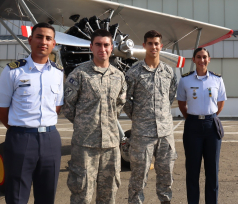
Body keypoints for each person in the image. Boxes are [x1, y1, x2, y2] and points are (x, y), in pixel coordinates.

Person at [0, 22, 64, 204]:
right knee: (17, 196)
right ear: (30, 40)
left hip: (51, 139)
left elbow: (56, 106)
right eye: (39, 37)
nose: (43, 41)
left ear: (53, 43)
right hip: (21, 139)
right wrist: (20, 129)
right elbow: (1, 108)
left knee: (47, 196)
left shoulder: (58, 73)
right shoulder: (13, 70)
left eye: (48, 38)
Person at [60, 29, 126, 204]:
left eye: (106, 45)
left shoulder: (118, 76)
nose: (102, 49)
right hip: (84, 146)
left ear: (112, 48)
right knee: (82, 194)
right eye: (98, 44)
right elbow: (68, 107)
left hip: (111, 145)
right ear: (91, 47)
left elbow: (119, 106)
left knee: (109, 193)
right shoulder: (79, 74)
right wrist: (85, 123)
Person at [123, 30, 178, 204]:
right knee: (138, 178)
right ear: (144, 45)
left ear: (161, 46)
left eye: (156, 44)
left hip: (165, 135)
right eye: (150, 43)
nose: (153, 47)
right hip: (142, 136)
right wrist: (139, 118)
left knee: (166, 177)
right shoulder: (134, 72)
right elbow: (126, 100)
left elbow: (170, 97)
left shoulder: (168, 72)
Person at [177, 47, 227, 204]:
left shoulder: (217, 80)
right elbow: (181, 103)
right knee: (192, 171)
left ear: (209, 59)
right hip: (192, 126)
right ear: (194, 59)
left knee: (212, 170)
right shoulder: (185, 80)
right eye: (198, 57)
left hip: (211, 126)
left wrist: (209, 117)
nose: (202, 60)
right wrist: (192, 118)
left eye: (205, 57)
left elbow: (220, 103)